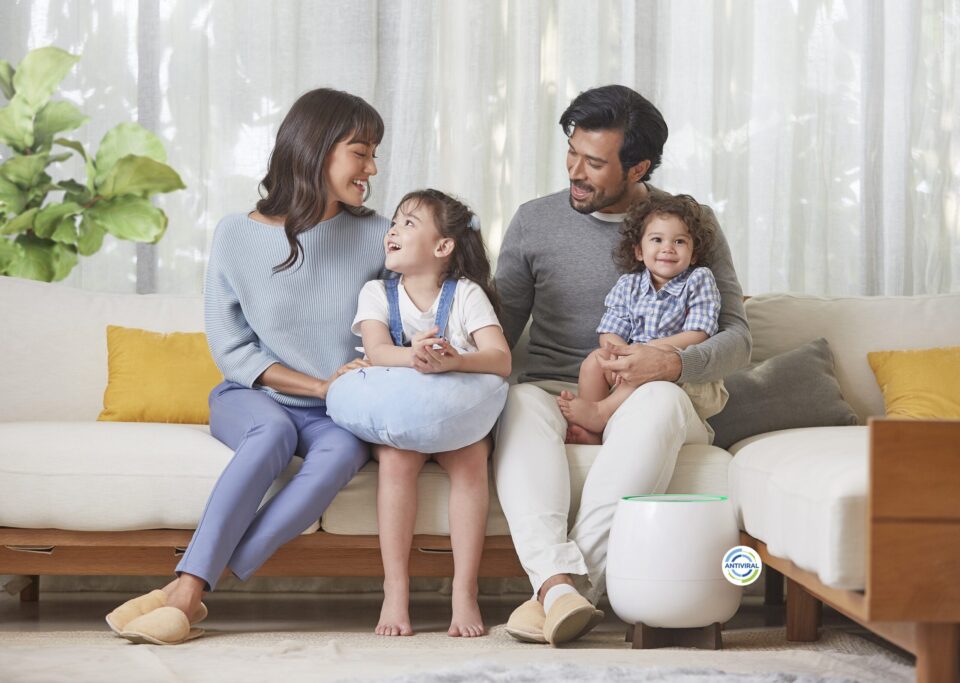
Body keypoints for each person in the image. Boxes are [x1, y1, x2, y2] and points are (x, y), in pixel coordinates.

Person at [105, 88, 390, 645]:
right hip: (252, 397)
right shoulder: (236, 234)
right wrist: (318, 385)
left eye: (375, 154)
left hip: (338, 411)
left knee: (341, 454)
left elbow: (406, 314)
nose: (372, 169)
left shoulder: (379, 236)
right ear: (316, 149)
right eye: (360, 153)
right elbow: (232, 349)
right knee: (273, 433)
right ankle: (188, 591)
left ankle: (185, 592)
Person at [493, 84, 751, 646]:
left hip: (659, 395)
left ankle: (565, 590)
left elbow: (738, 339)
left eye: (594, 163)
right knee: (517, 401)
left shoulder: (688, 224)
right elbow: (497, 335)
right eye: (572, 153)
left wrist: (670, 364)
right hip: (560, 390)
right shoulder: (534, 221)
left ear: (638, 168)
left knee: (657, 399)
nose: (574, 172)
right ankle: (559, 590)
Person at [352, 189, 511, 638]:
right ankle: (395, 589)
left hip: (456, 421)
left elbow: (500, 358)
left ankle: (464, 590)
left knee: (471, 460)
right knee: (396, 460)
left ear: (443, 246)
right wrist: (417, 356)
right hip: (401, 421)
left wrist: (454, 361)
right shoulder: (377, 293)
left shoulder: (466, 295)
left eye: (409, 223)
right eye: (394, 222)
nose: (393, 230)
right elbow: (378, 351)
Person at [557, 193, 721, 443]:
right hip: (631, 359)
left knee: (647, 365)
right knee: (594, 362)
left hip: (678, 370)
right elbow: (610, 330)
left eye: (679, 241)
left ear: (694, 254)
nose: (668, 248)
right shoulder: (628, 285)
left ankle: (601, 412)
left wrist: (648, 351)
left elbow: (699, 333)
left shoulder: (699, 279)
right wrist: (620, 355)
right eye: (657, 239)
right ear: (639, 251)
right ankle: (591, 431)